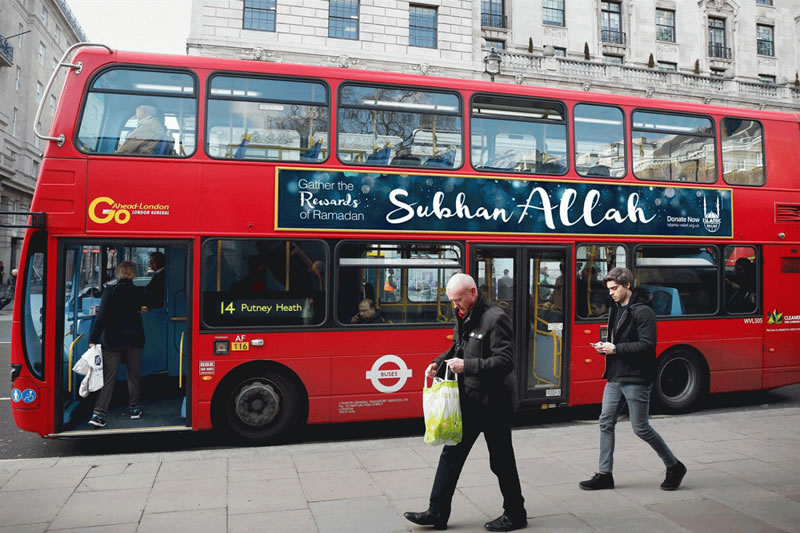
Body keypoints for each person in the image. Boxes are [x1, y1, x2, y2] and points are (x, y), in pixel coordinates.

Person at [404, 273, 527, 532]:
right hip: (470, 401)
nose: (455, 306)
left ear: (472, 292)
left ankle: (515, 513)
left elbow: (506, 361)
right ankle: (437, 512)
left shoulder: (495, 318)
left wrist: (467, 366)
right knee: (451, 454)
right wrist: (438, 362)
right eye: (452, 301)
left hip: (494, 404)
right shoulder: (464, 315)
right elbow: (457, 348)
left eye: (459, 300)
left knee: (501, 461)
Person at [580, 267, 686, 492]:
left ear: (627, 285)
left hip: (637, 378)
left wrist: (615, 348)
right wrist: (604, 348)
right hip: (615, 376)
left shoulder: (644, 312)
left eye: (615, 288)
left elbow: (647, 345)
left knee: (641, 428)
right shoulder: (615, 309)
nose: (611, 293)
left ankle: (674, 465)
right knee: (605, 422)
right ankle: (604, 474)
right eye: (609, 289)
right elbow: (616, 341)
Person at [87, 261, 146, 428]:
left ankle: (99, 414)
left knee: (108, 378)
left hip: (112, 340)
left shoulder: (110, 290)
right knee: (133, 376)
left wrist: (93, 339)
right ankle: (134, 409)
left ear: (119, 273)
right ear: (133, 274)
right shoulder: (138, 291)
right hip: (134, 340)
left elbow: (102, 317)